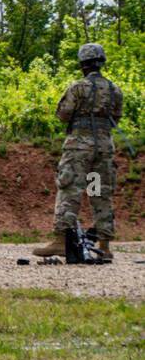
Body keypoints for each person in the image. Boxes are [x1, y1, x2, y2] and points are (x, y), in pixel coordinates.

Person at [33, 44, 123, 260]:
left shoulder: (78, 88)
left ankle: (60, 240)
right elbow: (116, 118)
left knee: (70, 188)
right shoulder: (114, 90)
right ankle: (105, 245)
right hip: (104, 148)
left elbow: (63, 114)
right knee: (99, 192)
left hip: (79, 148)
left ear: (83, 64)